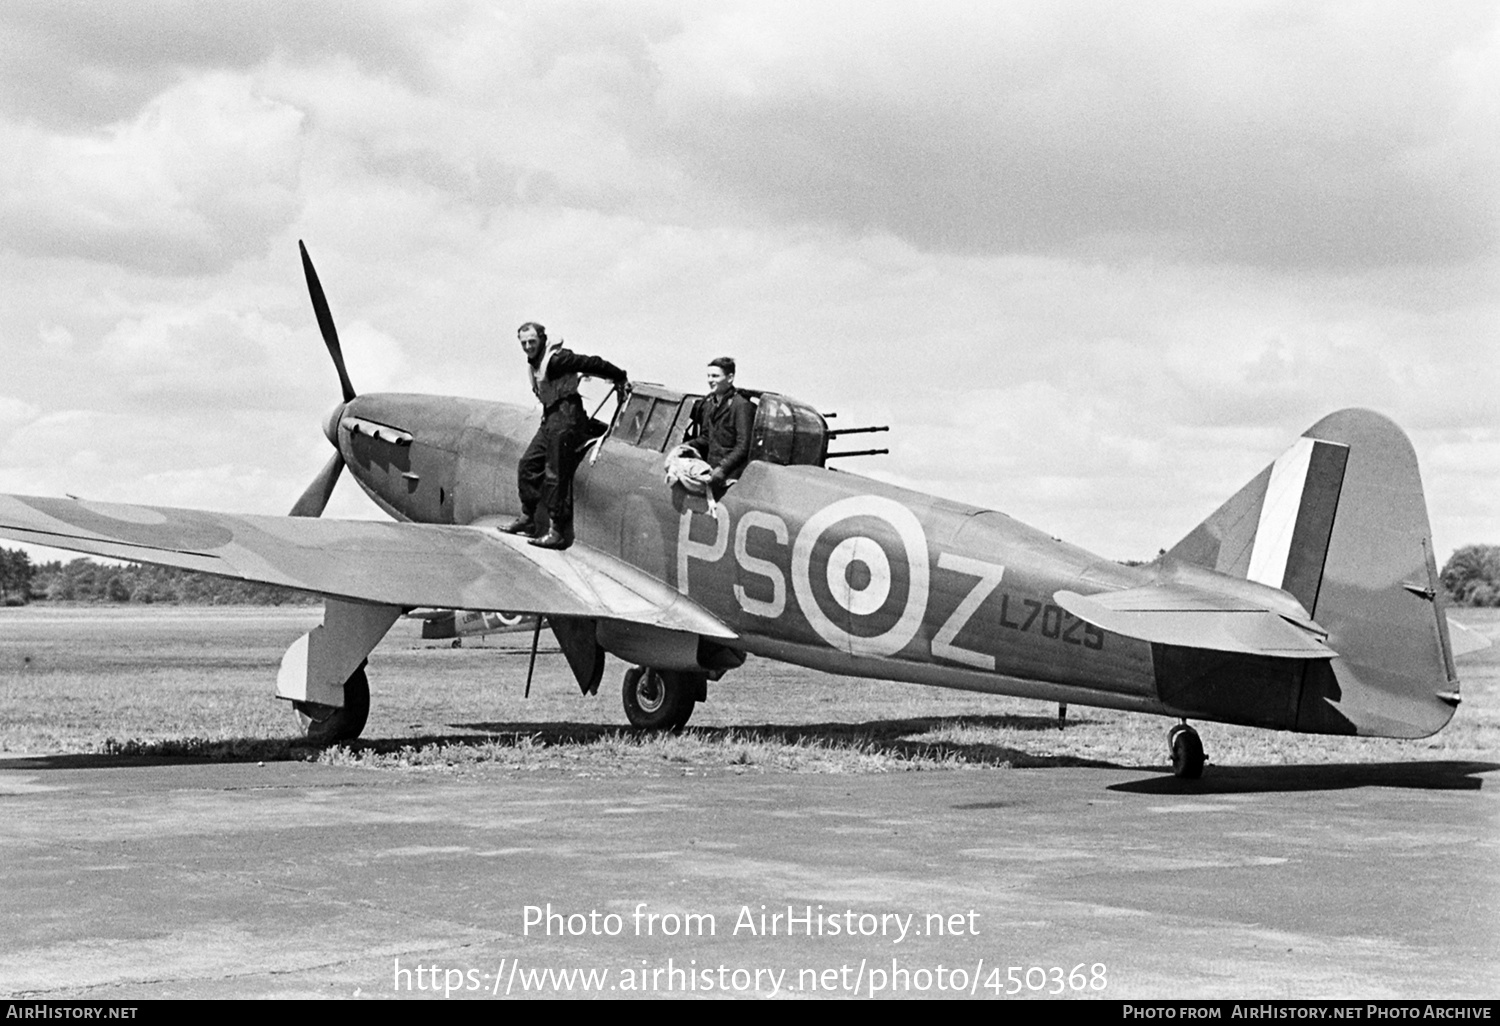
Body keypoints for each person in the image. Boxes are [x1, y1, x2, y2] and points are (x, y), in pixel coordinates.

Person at [498, 321, 627, 549]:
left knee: (555, 472)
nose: (528, 347)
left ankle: (557, 531)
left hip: (567, 417)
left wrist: (619, 375)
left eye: (532, 342)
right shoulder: (535, 361)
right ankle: (528, 518)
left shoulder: (557, 360)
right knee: (527, 465)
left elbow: (591, 363)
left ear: (542, 339)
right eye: (524, 343)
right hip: (551, 417)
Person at [685, 356, 754, 496]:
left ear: (730, 378)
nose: (710, 380)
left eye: (715, 376)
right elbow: (706, 437)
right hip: (711, 472)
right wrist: (686, 446)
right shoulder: (709, 403)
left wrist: (723, 469)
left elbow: (743, 446)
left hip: (731, 480)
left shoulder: (741, 406)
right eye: (709, 376)